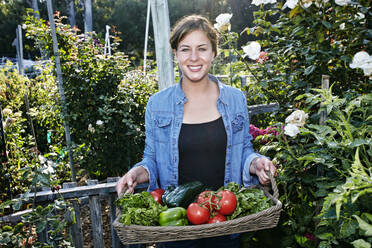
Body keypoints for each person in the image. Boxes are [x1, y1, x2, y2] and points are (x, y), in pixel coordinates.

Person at [116, 14, 277, 248]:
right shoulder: (157, 104)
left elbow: (243, 151)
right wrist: (134, 174)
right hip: (177, 228)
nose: (193, 57)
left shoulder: (234, 99)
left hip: (225, 222)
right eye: (185, 49)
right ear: (176, 54)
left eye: (202, 48)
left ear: (214, 53)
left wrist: (258, 163)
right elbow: (151, 159)